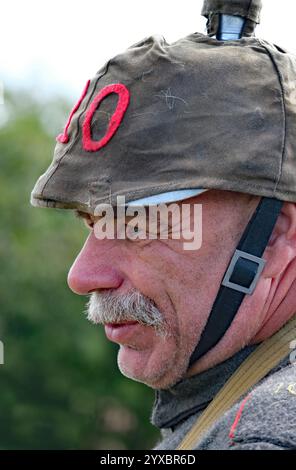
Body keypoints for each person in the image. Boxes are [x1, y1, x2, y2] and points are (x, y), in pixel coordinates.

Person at [31, 0, 296, 450]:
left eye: (137, 223)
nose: (83, 276)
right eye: (92, 220)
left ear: (272, 238)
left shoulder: (260, 437)